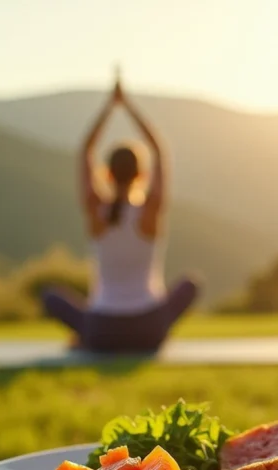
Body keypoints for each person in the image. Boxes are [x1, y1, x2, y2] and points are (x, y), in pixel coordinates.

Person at [41, 75, 199, 353]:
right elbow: (159, 150)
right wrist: (128, 106)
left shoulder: (96, 211)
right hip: (151, 329)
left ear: (108, 173)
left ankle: (82, 338)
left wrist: (109, 106)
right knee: (191, 284)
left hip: (102, 332)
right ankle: (140, 334)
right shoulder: (150, 212)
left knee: (51, 296)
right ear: (142, 174)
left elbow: (85, 150)